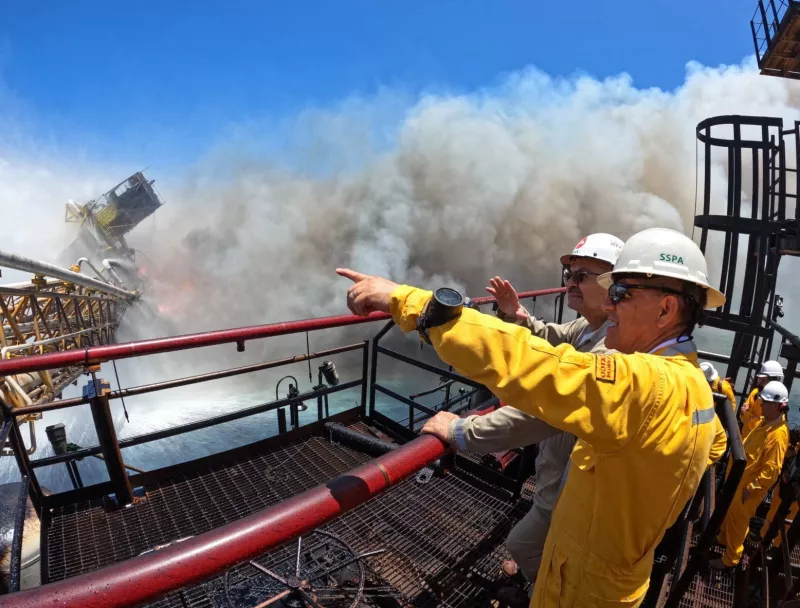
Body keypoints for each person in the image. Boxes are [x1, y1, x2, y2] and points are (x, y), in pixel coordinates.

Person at [337, 226, 727, 607]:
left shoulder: (644, 385)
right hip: (605, 572)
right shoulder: (695, 382)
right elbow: (715, 448)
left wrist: (412, 303)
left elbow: (529, 364)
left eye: (620, 293)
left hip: (579, 588)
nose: (610, 306)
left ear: (665, 309)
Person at [429, 233, 623, 589]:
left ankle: (545, 591)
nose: (570, 283)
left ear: (614, 284)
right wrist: (517, 315)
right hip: (559, 466)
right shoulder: (590, 327)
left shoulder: (613, 348)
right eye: (569, 274)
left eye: (582, 276)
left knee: (522, 543)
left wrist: (460, 432)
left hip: (575, 479)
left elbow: (541, 413)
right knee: (546, 536)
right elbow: (550, 336)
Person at [711, 381, 791, 569]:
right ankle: (724, 539)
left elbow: (772, 470)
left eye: (765, 402)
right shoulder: (765, 422)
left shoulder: (778, 435)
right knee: (731, 514)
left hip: (748, 489)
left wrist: (752, 488)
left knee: (738, 521)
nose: (760, 404)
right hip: (739, 481)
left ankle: (731, 559)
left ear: (776, 406)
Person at [740, 360, 785, 437]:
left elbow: (764, 426)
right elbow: (742, 415)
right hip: (745, 440)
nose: (760, 382)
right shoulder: (755, 393)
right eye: (760, 379)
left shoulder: (778, 401)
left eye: (763, 380)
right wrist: (752, 418)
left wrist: (747, 415)